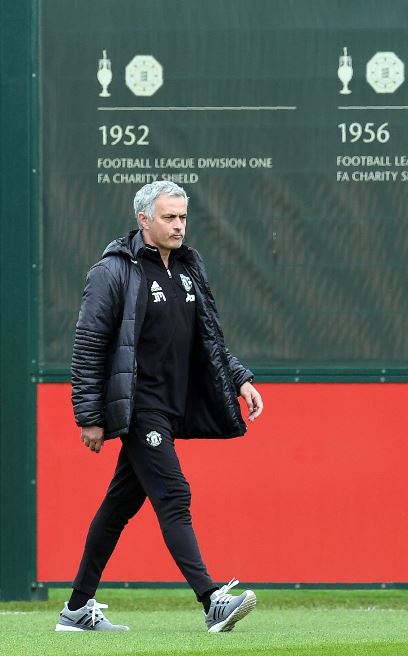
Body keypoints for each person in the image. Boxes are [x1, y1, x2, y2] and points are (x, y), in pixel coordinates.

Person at [57, 181, 264, 633]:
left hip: (171, 407)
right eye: (169, 217)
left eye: (183, 217)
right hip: (139, 408)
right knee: (174, 495)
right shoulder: (113, 272)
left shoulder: (189, 268)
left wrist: (238, 376)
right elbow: (88, 346)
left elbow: (206, 339)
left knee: (117, 508)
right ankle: (212, 600)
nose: (178, 225)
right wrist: (89, 416)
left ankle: (75, 610)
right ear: (143, 219)